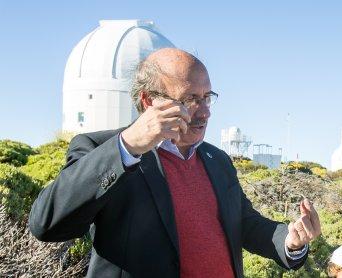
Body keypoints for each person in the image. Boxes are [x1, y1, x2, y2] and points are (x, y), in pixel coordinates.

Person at [28, 48, 321, 277]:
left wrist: (289, 240)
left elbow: (243, 223)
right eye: (191, 99)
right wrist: (127, 146)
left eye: (208, 97)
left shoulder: (216, 160)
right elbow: (47, 224)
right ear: (148, 101)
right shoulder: (103, 150)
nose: (204, 112)